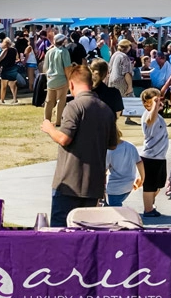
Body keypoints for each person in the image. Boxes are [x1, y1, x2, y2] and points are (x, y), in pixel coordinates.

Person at [41, 63, 117, 227]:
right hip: (94, 184)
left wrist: (49, 128)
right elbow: (112, 144)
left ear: (72, 84)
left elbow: (64, 139)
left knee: (60, 230)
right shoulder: (106, 109)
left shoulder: (74, 106)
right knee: (85, 233)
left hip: (69, 182)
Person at [140, 88, 171, 218]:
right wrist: (154, 104)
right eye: (155, 100)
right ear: (147, 103)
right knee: (149, 185)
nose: (160, 102)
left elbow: (163, 92)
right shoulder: (147, 115)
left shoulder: (157, 115)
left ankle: (151, 203)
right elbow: (150, 120)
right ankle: (148, 209)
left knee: (158, 184)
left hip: (160, 156)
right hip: (150, 157)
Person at [106, 125, 143, 208]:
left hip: (115, 187)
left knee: (115, 207)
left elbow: (103, 170)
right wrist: (142, 178)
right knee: (118, 203)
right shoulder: (130, 146)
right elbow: (139, 162)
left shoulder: (109, 151)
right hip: (129, 184)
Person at [42, 36, 73, 125]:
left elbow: (45, 67)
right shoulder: (64, 52)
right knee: (60, 100)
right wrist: (69, 80)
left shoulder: (49, 51)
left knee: (49, 101)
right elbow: (67, 67)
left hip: (50, 79)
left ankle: (46, 120)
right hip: (61, 78)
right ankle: (58, 121)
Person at [0, 37, 22, 104]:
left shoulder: (6, 50)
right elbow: (17, 58)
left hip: (5, 69)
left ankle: (2, 100)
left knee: (3, 86)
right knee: (13, 85)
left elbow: (0, 58)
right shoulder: (14, 50)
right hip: (13, 68)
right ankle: (15, 98)